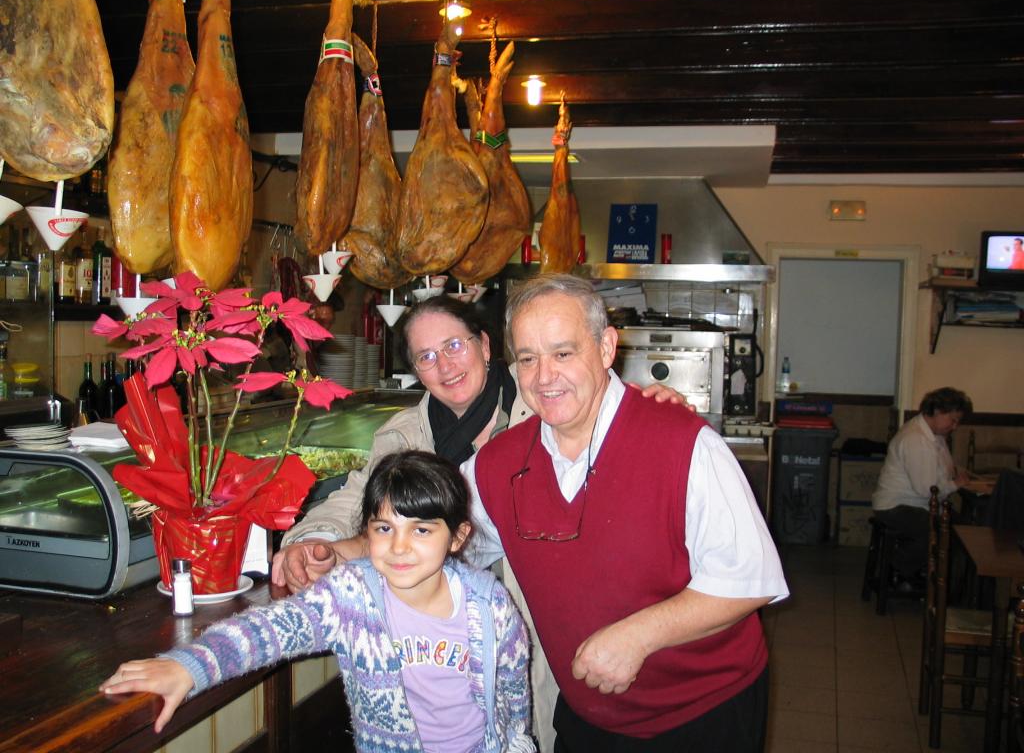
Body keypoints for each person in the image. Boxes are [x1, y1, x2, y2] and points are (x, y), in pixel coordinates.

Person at [271, 294, 687, 752]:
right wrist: (314, 541)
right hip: (440, 632)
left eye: (455, 345)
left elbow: (604, 405)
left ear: (485, 346)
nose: (445, 365)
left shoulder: (543, 400)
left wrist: (652, 403)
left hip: (543, 622)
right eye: (426, 357)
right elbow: (356, 497)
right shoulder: (407, 433)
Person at [464, 274, 789, 752]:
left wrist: (637, 636)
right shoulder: (499, 462)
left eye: (563, 353)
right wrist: (345, 548)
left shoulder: (684, 444)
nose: (543, 377)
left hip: (703, 711)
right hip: (588, 712)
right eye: (528, 358)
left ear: (606, 347)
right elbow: (438, 532)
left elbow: (750, 579)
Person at [101, 451, 535, 753]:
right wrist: (190, 666)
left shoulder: (489, 605)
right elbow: (270, 629)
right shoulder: (352, 595)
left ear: (457, 536)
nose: (399, 547)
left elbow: (515, 703)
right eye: (384, 529)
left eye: (421, 530)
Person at [871, 387, 973, 579]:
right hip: (895, 506)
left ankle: (943, 589)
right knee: (938, 532)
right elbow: (927, 491)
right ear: (937, 412)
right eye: (953, 420)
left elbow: (944, 471)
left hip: (915, 504)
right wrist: (955, 484)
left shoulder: (935, 436)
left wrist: (955, 474)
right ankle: (898, 571)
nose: (955, 426)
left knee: (966, 531)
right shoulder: (915, 439)